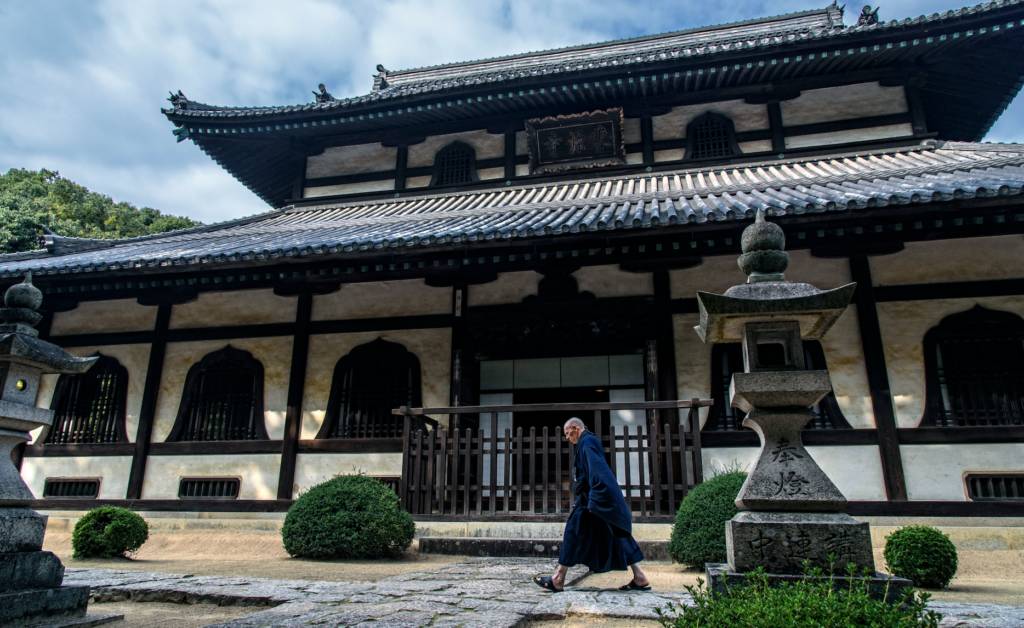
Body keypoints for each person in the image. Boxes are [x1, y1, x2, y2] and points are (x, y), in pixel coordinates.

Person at [533, 417, 650, 592]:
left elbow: (597, 471)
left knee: (573, 531)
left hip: (591, 499)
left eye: (568, 433)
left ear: (575, 428)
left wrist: (596, 498)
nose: (567, 438)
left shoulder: (587, 443)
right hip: (594, 499)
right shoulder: (587, 442)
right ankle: (639, 576)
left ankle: (558, 578)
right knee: (617, 533)